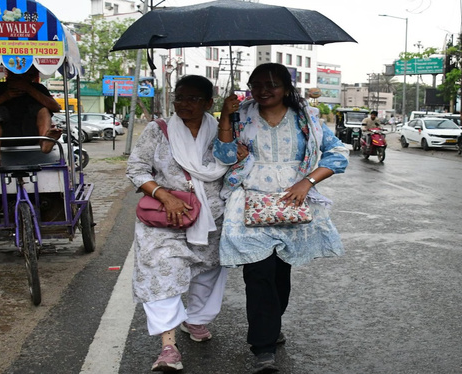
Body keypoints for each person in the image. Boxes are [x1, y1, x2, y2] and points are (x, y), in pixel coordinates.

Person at [213, 63, 349, 373]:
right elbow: (222, 156)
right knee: (258, 274)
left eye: (272, 84)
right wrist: (224, 116)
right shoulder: (240, 114)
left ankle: (271, 325)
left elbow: (338, 153)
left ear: (286, 87)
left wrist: (308, 181)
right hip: (249, 202)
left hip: (291, 205)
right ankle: (263, 348)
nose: (263, 89)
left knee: (280, 276)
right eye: (257, 83)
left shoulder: (307, 118)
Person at [126, 75, 232, 372]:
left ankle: (196, 319)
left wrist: (231, 128)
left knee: (208, 272)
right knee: (163, 272)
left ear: (209, 103)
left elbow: (234, 166)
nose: (184, 104)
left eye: (193, 99)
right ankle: (168, 347)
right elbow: (136, 168)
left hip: (211, 217)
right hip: (164, 218)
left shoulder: (223, 132)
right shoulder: (157, 130)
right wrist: (163, 195)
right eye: (179, 98)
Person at [0, 69, 63, 169]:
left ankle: (45, 142)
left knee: (43, 110)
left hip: (32, 135)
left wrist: (29, 89)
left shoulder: (37, 88)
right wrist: (5, 97)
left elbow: (56, 107)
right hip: (4, 136)